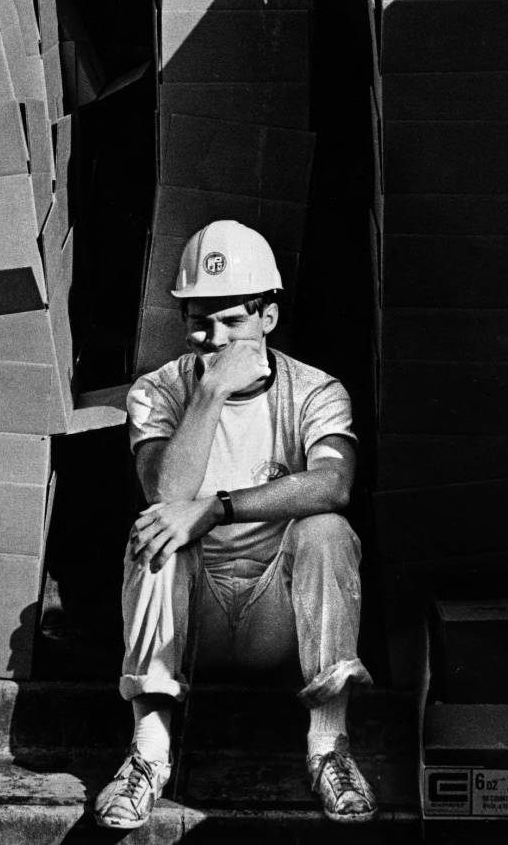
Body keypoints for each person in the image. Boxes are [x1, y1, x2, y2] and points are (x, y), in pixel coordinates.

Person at [93, 219, 377, 830]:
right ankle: (147, 756)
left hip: (281, 614)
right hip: (193, 622)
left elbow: (335, 484)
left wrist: (218, 507)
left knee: (326, 531)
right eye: (199, 318)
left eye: (232, 320)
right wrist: (212, 390)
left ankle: (329, 747)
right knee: (157, 534)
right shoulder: (158, 390)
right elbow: (166, 492)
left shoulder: (314, 390)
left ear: (268, 316)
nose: (213, 337)